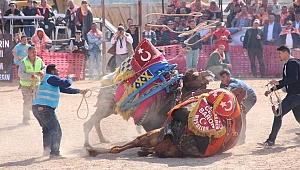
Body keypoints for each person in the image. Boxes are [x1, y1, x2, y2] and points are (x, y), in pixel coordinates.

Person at [32, 64, 87, 158]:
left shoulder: (47, 80)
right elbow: (67, 83)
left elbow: (64, 89)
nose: (58, 72)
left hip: (37, 108)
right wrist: (69, 77)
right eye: (57, 71)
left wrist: (79, 91)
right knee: (56, 130)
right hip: (46, 108)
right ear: (52, 71)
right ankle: (54, 153)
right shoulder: (51, 78)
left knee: (47, 130)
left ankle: (47, 151)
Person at [260, 45, 300, 147]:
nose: (278, 55)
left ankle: (271, 141)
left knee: (278, 114)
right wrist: (272, 90)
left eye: (280, 53)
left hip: (295, 95)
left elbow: (294, 79)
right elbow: (285, 82)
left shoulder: (292, 63)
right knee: (299, 117)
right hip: (296, 94)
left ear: (286, 52)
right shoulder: (288, 64)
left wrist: (278, 82)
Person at [219, 69, 257, 145]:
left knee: (241, 116)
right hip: (239, 98)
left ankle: (242, 138)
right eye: (221, 77)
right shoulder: (222, 84)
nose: (222, 79)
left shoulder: (234, 83)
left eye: (223, 77)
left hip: (250, 98)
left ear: (229, 77)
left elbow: (230, 88)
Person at [18, 46, 46, 125]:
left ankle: (38, 116)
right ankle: (26, 118)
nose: (34, 54)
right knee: (27, 100)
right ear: (28, 53)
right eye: (32, 52)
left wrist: (42, 72)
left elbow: (44, 67)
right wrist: (30, 76)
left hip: (36, 84)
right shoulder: (24, 62)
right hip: (25, 85)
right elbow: (20, 73)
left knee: (36, 101)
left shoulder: (39, 60)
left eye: (35, 52)